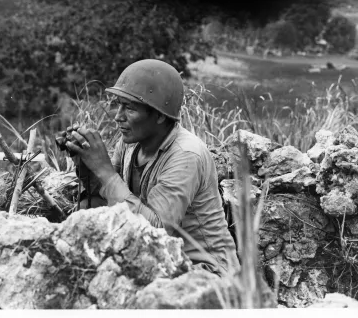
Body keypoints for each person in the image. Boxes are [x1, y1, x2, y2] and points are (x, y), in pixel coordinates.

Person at [65, 59, 239, 277]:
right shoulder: (130, 144)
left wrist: (104, 170)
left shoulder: (186, 155)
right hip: (159, 258)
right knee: (86, 208)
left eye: (129, 108)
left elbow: (156, 231)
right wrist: (87, 163)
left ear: (159, 115)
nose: (118, 116)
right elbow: (109, 198)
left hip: (205, 271)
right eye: (118, 105)